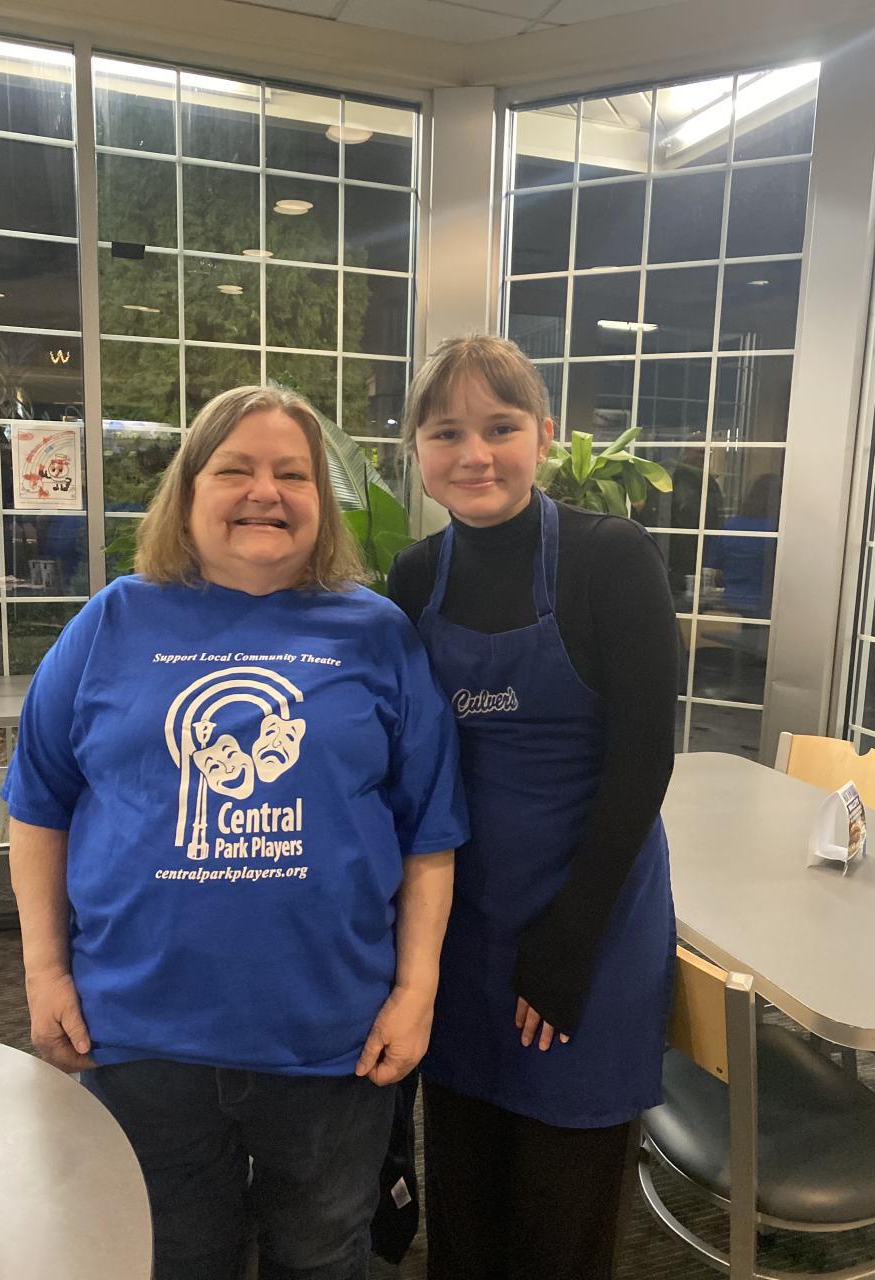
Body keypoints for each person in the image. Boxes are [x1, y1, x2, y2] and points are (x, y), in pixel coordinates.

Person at [2, 385, 467, 1280]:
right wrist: (44, 971)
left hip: (330, 1036)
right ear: (187, 492)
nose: (266, 492)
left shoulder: (377, 635)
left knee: (321, 1254)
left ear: (321, 500)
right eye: (235, 470)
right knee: (174, 1255)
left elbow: (429, 834)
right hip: (140, 1033)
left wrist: (416, 990)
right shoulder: (111, 622)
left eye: (293, 473)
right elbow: (38, 807)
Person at [387, 336, 678, 1280]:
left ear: (543, 436)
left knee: (563, 1213)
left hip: (591, 919)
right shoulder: (414, 577)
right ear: (416, 450)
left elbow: (644, 761)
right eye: (447, 432)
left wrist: (569, 940)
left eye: (500, 427)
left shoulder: (611, 559)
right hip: (462, 925)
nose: (475, 454)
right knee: (464, 1199)